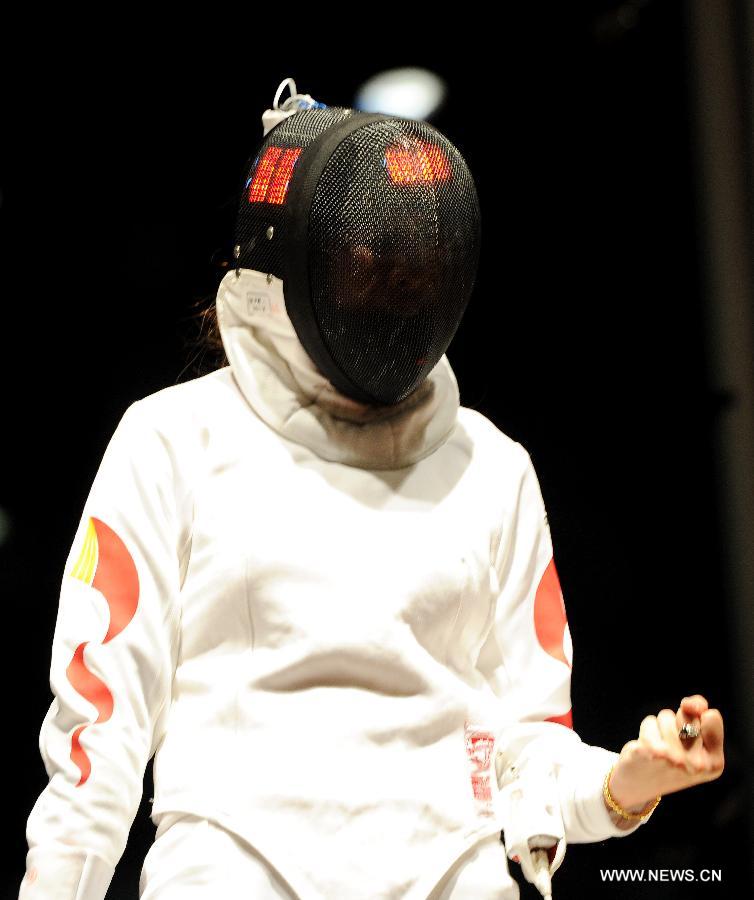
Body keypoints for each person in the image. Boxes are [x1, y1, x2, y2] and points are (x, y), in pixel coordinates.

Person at [19, 79, 725, 900]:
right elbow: (95, 742)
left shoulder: (491, 468)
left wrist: (624, 785)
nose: (395, 291)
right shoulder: (174, 441)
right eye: (369, 265)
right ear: (288, 263)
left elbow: (526, 752)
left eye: (414, 272)